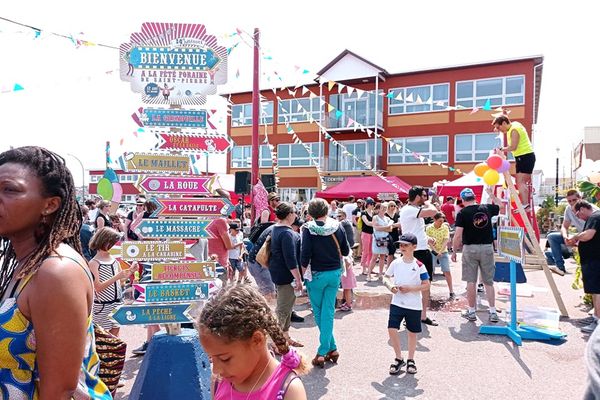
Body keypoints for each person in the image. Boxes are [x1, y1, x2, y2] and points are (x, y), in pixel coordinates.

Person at [0, 146, 111, 398]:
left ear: (50, 205)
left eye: (10, 190)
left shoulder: (55, 272)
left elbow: (60, 391)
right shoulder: (26, 264)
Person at [198, 285, 308, 399]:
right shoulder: (218, 381)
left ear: (257, 340)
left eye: (225, 359)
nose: (216, 369)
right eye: (211, 358)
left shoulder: (289, 389)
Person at [301, 198, 349, 367]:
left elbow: (305, 254)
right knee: (328, 311)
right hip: (335, 272)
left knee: (320, 312)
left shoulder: (307, 229)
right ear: (327, 210)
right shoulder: (338, 225)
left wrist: (300, 275)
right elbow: (345, 250)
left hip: (316, 275)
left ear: (310, 213)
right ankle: (332, 348)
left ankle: (322, 351)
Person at [383, 233, 430, 375]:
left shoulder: (419, 265)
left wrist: (411, 289)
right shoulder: (396, 263)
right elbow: (385, 277)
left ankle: (411, 359)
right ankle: (398, 358)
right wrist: (390, 286)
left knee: (412, 333)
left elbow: (426, 285)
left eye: (405, 245)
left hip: (413, 305)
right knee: (392, 329)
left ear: (414, 247)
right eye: (400, 245)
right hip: (397, 303)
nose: (402, 247)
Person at [451, 187, 500, 323]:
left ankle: (472, 311)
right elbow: (500, 205)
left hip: (470, 248)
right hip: (487, 248)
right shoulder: (486, 208)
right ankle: (493, 311)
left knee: (471, 282)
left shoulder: (462, 213)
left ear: (462, 199)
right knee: (488, 282)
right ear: (474, 197)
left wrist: (454, 251)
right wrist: (492, 195)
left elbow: (458, 235)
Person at [400, 186, 439, 326]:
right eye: (423, 195)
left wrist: (426, 238)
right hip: (417, 252)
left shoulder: (412, 210)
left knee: (425, 285)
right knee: (414, 285)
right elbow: (434, 211)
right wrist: (429, 202)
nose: (425, 198)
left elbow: (414, 230)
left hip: (421, 249)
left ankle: (422, 316)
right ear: (416, 197)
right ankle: (410, 316)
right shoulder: (410, 209)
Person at [89, 227, 137, 337]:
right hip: (102, 306)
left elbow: (121, 281)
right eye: (114, 243)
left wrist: (130, 271)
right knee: (102, 336)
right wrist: (117, 277)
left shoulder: (114, 259)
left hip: (116, 303)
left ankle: (113, 355)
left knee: (115, 335)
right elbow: (98, 287)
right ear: (105, 242)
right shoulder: (94, 263)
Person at [269, 202, 304, 347]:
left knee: (287, 307)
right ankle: (275, 342)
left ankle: (285, 336)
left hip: (278, 273)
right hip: (286, 276)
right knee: (283, 309)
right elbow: (290, 259)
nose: (295, 215)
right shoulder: (287, 233)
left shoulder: (276, 229)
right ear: (289, 215)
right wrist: (298, 278)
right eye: (294, 212)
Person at [546, 189, 597, 276]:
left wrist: (576, 238)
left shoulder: (593, 210)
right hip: (580, 236)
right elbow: (564, 226)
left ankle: (586, 271)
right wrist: (566, 237)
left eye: (574, 200)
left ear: (580, 198)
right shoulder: (568, 209)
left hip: (591, 237)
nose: (571, 202)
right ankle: (560, 267)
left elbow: (590, 233)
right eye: (569, 201)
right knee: (552, 237)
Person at [567, 201, 600, 333]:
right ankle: (596, 317)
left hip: (595, 260)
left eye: (577, 213)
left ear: (583, 209)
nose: (577, 216)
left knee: (597, 291)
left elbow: (588, 235)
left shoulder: (595, 217)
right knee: (595, 290)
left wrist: (575, 238)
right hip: (593, 260)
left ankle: (597, 320)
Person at [493, 115, 535, 207]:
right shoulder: (513, 125)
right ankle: (526, 204)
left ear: (504, 123)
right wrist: (497, 126)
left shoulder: (514, 130)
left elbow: (513, 147)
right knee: (521, 181)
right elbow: (504, 119)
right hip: (523, 156)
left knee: (520, 181)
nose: (499, 130)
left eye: (498, 127)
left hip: (525, 156)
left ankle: (525, 204)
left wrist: (501, 149)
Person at [426, 212, 455, 299]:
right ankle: (427, 291)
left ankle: (451, 291)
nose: (441, 223)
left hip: (443, 251)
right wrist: (435, 251)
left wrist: (441, 251)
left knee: (447, 271)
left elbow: (446, 239)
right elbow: (429, 241)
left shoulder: (445, 227)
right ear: (434, 220)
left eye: (442, 221)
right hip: (432, 251)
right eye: (439, 221)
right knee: (429, 272)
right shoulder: (429, 228)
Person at [336, 209, 356, 311]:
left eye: (340, 216)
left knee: (347, 287)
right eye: (337, 216)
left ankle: (348, 303)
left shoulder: (343, 223)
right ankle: (348, 302)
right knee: (347, 287)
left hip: (345, 257)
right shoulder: (347, 223)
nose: (338, 218)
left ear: (344, 216)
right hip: (348, 252)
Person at [367, 202, 393, 281]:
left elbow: (390, 229)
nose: (384, 209)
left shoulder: (387, 218)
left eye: (385, 208)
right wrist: (386, 227)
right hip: (377, 239)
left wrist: (381, 227)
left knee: (382, 257)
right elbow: (375, 227)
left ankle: (380, 274)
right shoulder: (375, 217)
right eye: (382, 207)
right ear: (379, 208)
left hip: (385, 239)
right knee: (374, 257)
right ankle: (369, 274)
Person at [360, 197, 375, 275]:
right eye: (372, 204)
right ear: (368, 204)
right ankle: (363, 269)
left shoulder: (373, 213)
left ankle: (369, 267)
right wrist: (375, 223)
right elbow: (367, 223)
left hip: (372, 234)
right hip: (365, 233)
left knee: (371, 252)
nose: (373, 205)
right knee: (365, 251)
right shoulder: (363, 213)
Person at [385, 201, 402, 267]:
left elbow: (400, 224)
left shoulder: (397, 215)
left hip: (395, 234)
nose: (393, 207)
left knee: (393, 251)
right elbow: (385, 225)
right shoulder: (385, 215)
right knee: (390, 252)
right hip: (387, 234)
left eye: (394, 206)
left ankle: (390, 267)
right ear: (388, 207)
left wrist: (392, 225)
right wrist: (394, 225)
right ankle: (388, 267)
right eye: (391, 206)